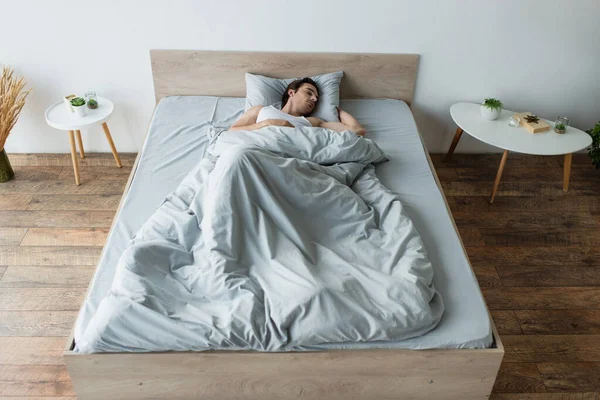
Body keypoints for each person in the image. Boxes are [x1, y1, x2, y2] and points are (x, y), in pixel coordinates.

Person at [229, 78, 366, 136]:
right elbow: (232, 132)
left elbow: (357, 130)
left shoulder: (313, 122)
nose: (314, 99)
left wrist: (337, 109)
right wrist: (265, 124)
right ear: (291, 92)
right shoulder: (261, 111)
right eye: (309, 93)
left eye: (317, 99)